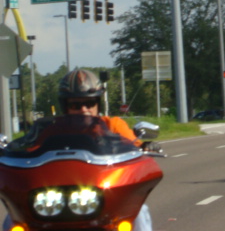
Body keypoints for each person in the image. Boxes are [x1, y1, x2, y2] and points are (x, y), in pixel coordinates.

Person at [2, 69, 159, 231]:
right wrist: (10, 151)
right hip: (54, 191)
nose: (84, 109)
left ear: (98, 103)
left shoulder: (113, 125)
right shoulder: (50, 130)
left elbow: (134, 146)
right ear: (66, 106)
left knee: (137, 211)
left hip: (101, 190)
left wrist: (145, 147)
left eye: (89, 103)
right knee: (15, 219)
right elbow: (29, 148)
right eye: (75, 105)